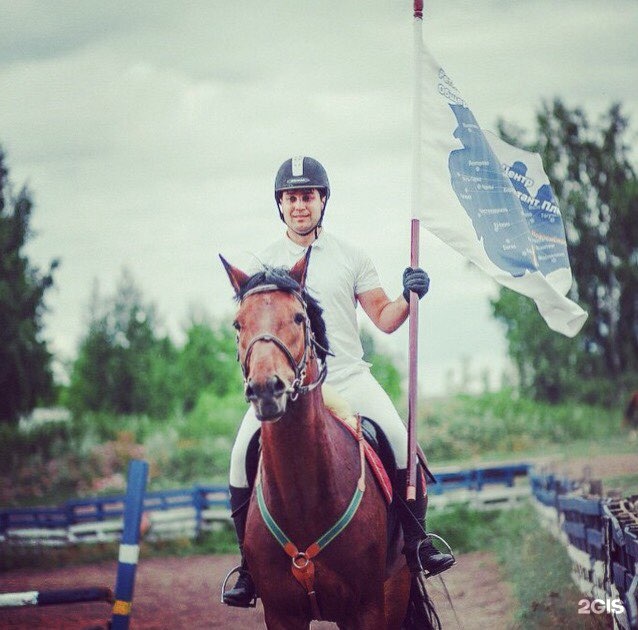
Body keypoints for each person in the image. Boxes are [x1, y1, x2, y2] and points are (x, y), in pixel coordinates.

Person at [223, 156, 454, 608]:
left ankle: (416, 544)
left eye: (308, 196)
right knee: (238, 457)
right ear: (280, 204)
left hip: (348, 377)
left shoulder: (351, 256)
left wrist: (408, 296)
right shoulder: (262, 263)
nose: (300, 206)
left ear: (322, 200)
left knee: (401, 441)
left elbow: (384, 318)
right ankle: (248, 567)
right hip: (288, 389)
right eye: (292, 198)